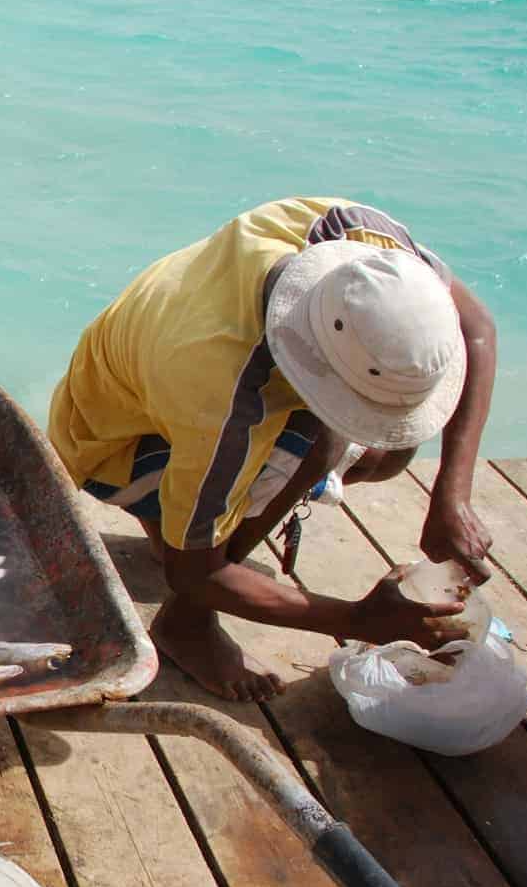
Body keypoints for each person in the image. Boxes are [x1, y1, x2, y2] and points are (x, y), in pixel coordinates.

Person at [48, 197, 497, 700]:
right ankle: (186, 625)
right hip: (109, 444)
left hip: (141, 381)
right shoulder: (223, 396)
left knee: (389, 452)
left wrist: (452, 494)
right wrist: (360, 619)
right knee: (322, 445)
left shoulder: (360, 242)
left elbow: (476, 328)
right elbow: (194, 573)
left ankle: (181, 521)